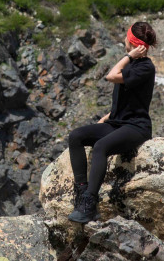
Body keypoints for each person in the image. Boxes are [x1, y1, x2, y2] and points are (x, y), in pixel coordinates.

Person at [67, 21, 157, 224]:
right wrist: (108, 116)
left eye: (127, 37)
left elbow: (111, 76)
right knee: (76, 136)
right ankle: (81, 194)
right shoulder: (134, 65)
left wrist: (127, 56)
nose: (123, 40)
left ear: (132, 42)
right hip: (117, 122)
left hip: (137, 127)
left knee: (100, 147)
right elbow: (131, 99)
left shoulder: (144, 67)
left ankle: (90, 204)